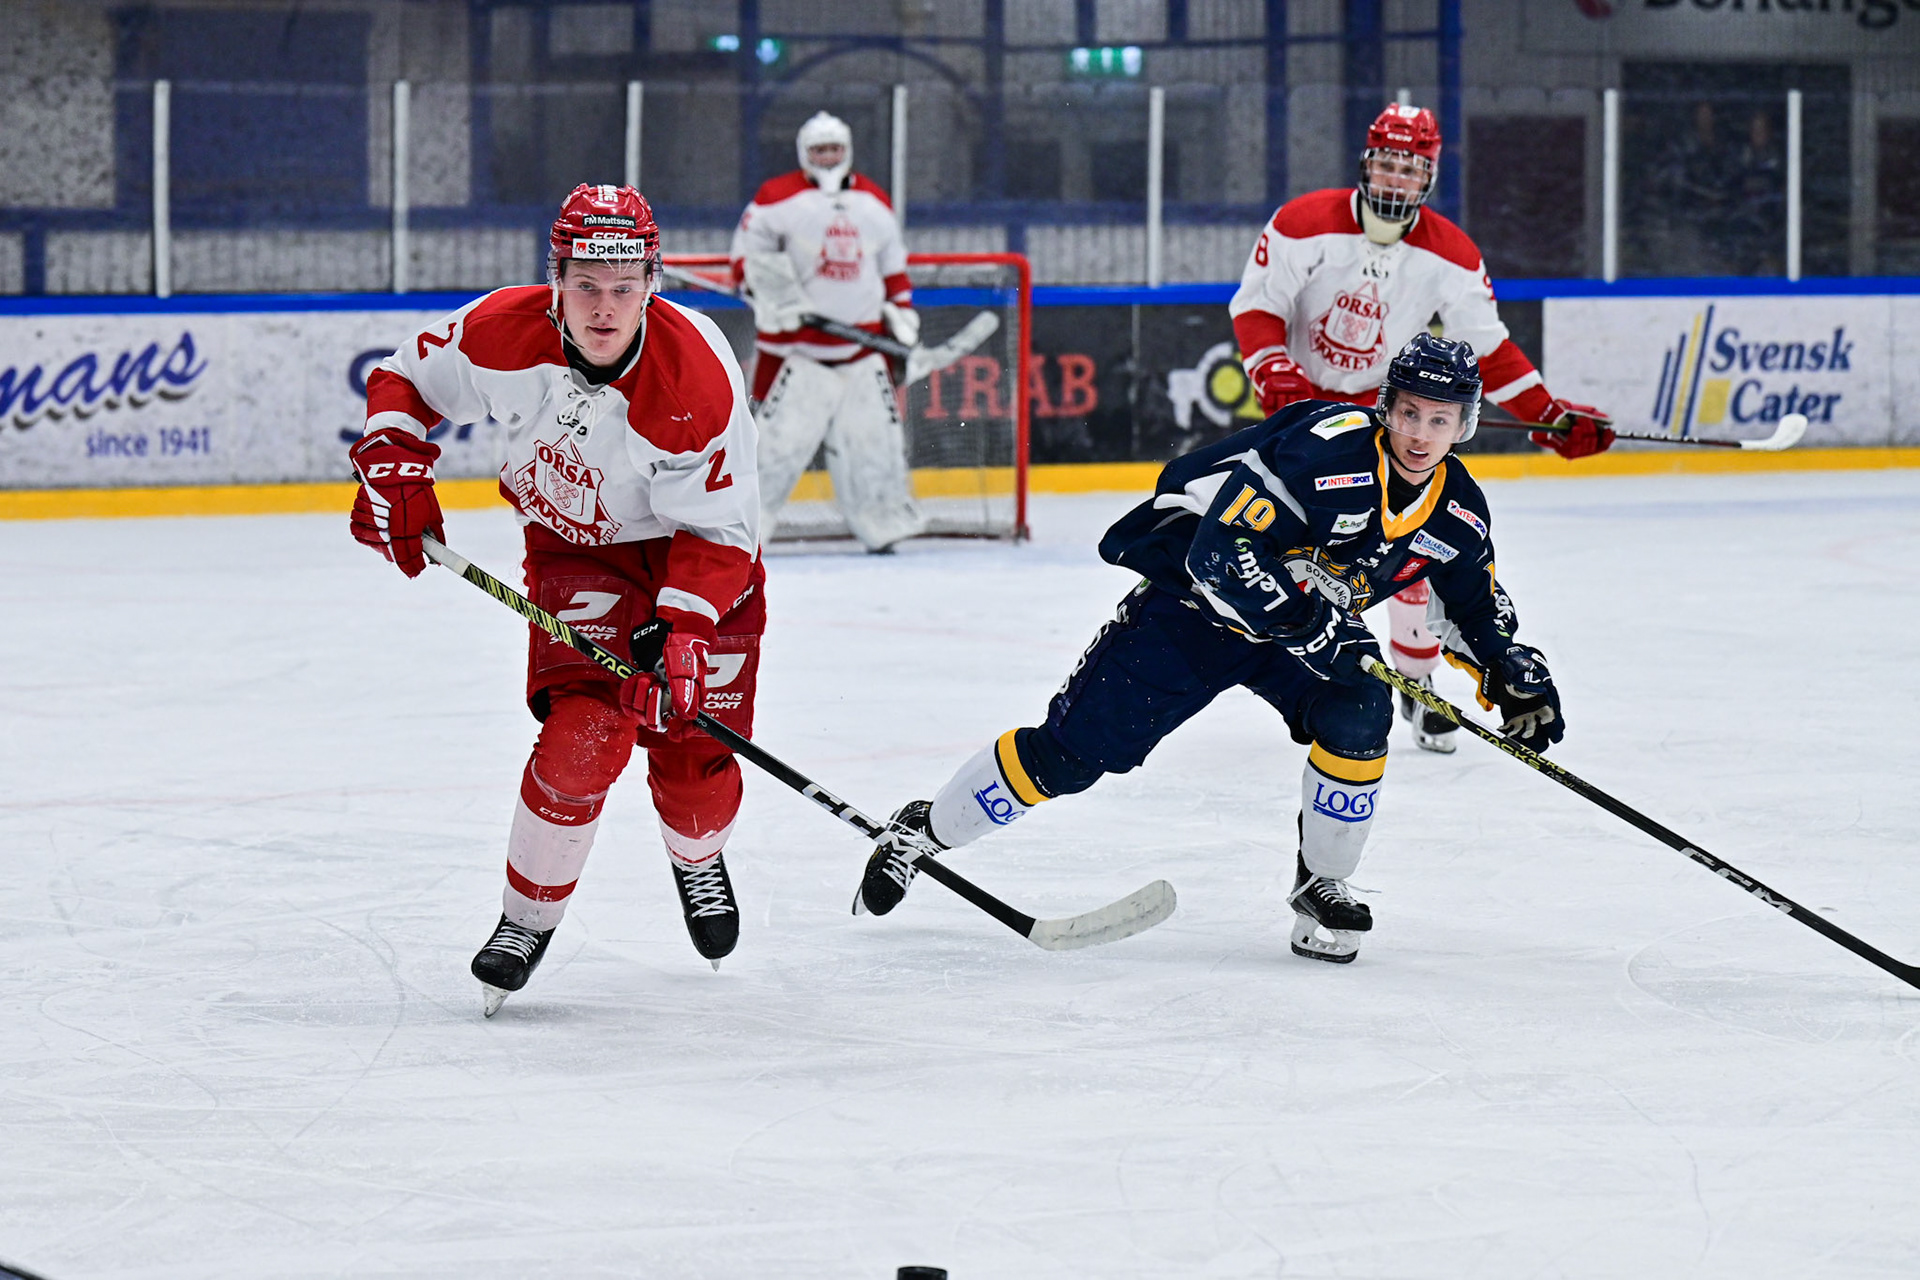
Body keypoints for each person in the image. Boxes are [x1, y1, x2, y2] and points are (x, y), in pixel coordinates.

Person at [851, 335, 1565, 964]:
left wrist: (1511, 670)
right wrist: (1312, 627)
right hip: (1192, 614)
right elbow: (1221, 551)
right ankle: (925, 831)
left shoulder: (1458, 510)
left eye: (1439, 420)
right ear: (1387, 407)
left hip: (1296, 637)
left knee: (1360, 707)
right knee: (1067, 759)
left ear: (1464, 425)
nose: (1420, 434)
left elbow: (1474, 607)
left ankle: (1321, 885)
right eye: (1409, 412)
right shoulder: (1325, 449)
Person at [349, 183, 764, 1014]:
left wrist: (683, 631)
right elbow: (406, 378)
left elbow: (722, 532)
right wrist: (392, 459)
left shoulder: (694, 378)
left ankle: (697, 855)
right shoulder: (504, 329)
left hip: (699, 561)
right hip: (576, 551)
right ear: (556, 280)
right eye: (585, 286)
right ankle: (525, 920)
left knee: (691, 761)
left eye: (623, 287)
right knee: (583, 737)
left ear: (651, 283)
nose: (604, 308)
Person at [1228, 103, 1609, 754]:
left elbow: (1488, 349)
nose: (1397, 178)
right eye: (1388, 163)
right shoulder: (1302, 223)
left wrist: (1545, 413)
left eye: (1411, 168)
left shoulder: (1451, 254)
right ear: (1366, 163)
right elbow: (1259, 306)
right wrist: (1274, 370)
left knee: (1412, 548)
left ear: (1429, 176)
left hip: (1387, 422)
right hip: (1301, 419)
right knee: (1274, 547)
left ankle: (1417, 678)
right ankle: (1270, 667)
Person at [730, 110, 924, 552]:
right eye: (819, 150)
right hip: (795, 352)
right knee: (772, 452)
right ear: (804, 153)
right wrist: (771, 296)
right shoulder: (775, 197)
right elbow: (745, 261)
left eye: (835, 149)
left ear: (847, 150)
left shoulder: (874, 201)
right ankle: (743, 533)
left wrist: (901, 314)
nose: (828, 157)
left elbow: (893, 268)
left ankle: (882, 527)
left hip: (863, 352)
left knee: (875, 449)